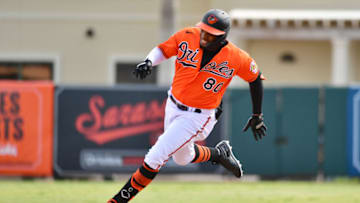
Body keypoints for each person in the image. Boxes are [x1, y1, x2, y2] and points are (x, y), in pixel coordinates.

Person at [108, 9, 267, 203]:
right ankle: (218, 154)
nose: (205, 37)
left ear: (223, 37)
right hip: (173, 104)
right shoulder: (188, 35)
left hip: (199, 116)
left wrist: (257, 114)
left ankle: (117, 201)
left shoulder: (236, 57)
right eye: (204, 31)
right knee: (183, 158)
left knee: (156, 156)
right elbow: (163, 49)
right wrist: (149, 61)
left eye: (211, 34)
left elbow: (255, 78)